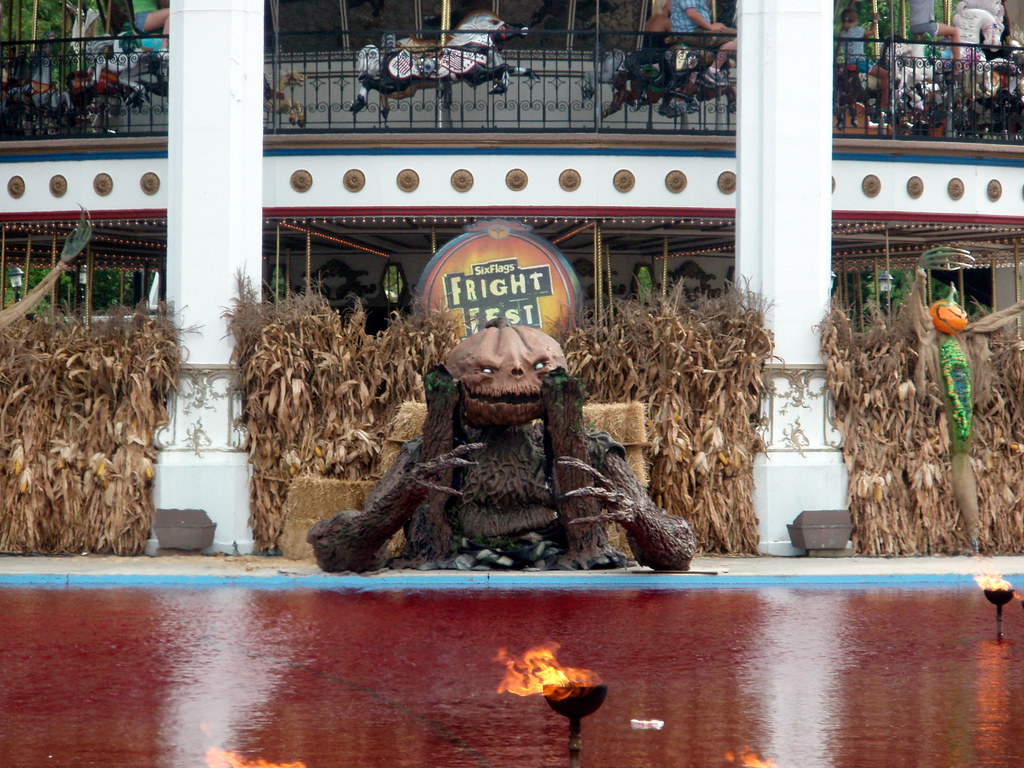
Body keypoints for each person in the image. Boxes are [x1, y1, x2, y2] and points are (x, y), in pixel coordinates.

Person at [670, 0, 736, 88]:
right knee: (739, 36)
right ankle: (712, 71)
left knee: (735, 41)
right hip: (692, 33)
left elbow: (704, 9)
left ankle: (716, 68)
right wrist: (710, 27)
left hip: (698, 31)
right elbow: (691, 13)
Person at [837, 5, 880, 73]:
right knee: (886, 74)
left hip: (848, 61)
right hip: (859, 62)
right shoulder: (858, 30)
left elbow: (863, 37)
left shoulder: (843, 32)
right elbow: (872, 32)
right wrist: (875, 20)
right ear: (855, 19)